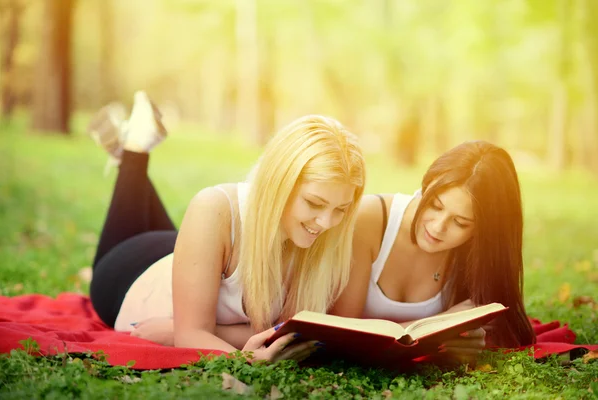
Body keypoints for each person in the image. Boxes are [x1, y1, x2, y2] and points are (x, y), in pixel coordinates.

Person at [88, 91, 366, 364]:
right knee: (194, 219)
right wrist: (242, 355)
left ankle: (130, 152)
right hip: (131, 272)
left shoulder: (321, 238)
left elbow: (286, 333)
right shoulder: (214, 207)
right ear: (280, 183)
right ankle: (135, 149)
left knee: (204, 236)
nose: (327, 222)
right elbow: (194, 335)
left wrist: (188, 331)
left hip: (198, 253)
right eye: (314, 203)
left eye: (340, 209)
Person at [330, 140, 536, 363]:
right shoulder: (369, 219)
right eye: (435, 206)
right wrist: (445, 322)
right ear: (426, 185)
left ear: (482, 231)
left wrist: (467, 342)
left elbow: (501, 332)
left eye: (460, 222)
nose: (437, 227)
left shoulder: (476, 256)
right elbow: (343, 335)